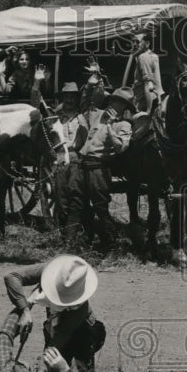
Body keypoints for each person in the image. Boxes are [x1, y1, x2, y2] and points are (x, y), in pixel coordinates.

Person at [0, 255, 108, 372]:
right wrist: (25, 310)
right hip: (55, 327)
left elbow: (57, 342)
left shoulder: (79, 310)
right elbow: (12, 277)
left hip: (85, 333)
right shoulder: (50, 270)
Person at [64, 88, 133, 251]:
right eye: (113, 100)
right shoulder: (96, 115)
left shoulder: (124, 125)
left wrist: (110, 126)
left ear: (124, 107)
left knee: (100, 208)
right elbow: (86, 102)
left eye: (120, 103)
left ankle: (109, 247)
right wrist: (92, 83)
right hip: (82, 165)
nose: (114, 105)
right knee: (75, 204)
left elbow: (120, 148)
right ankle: (69, 246)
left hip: (99, 169)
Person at [132, 32, 163, 114]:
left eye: (138, 41)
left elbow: (148, 84)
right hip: (155, 99)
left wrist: (148, 111)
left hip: (145, 102)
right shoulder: (153, 56)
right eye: (133, 42)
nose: (135, 44)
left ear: (147, 43)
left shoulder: (143, 57)